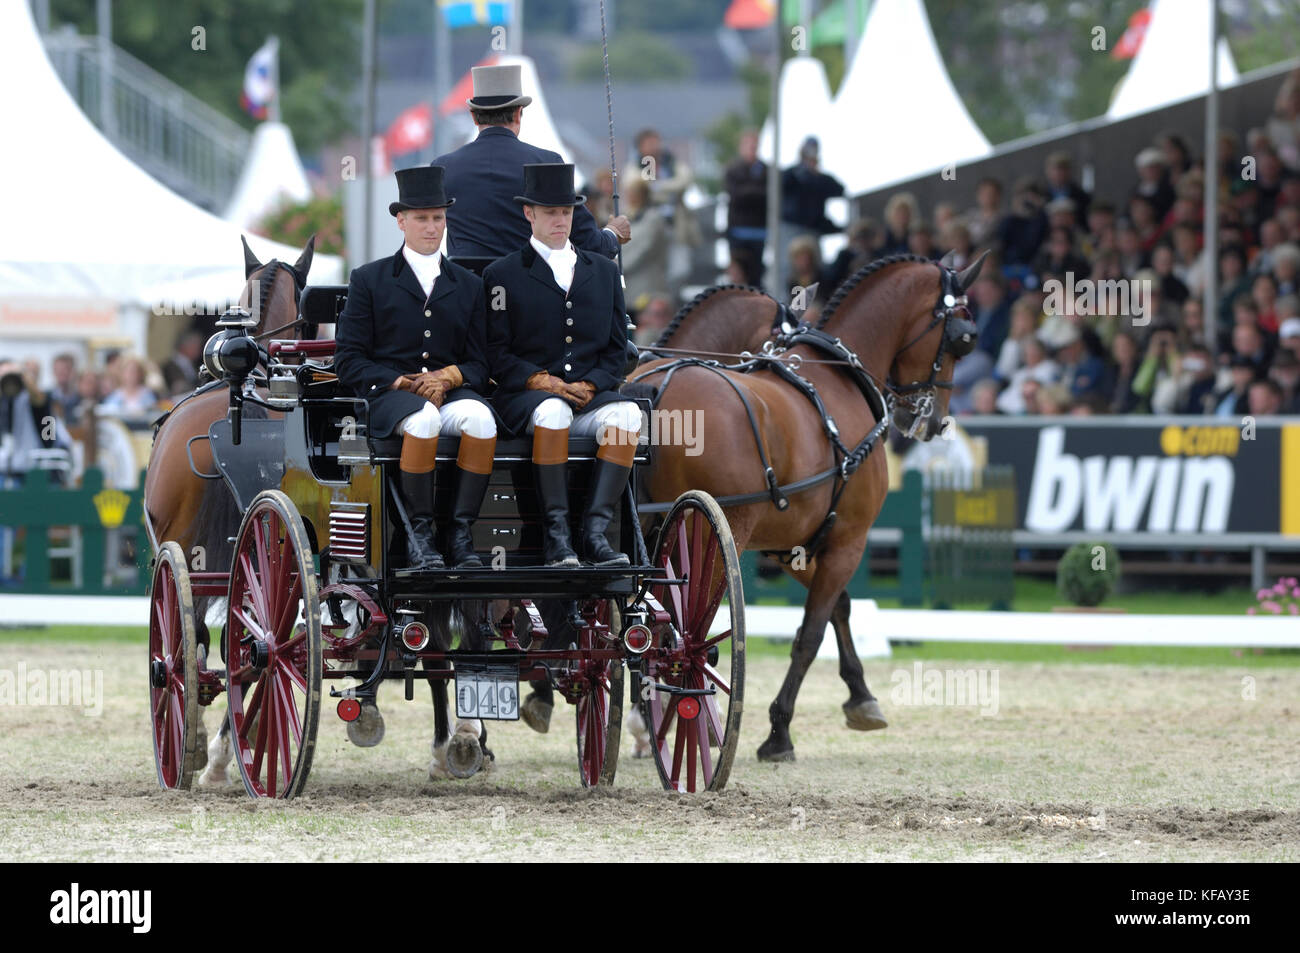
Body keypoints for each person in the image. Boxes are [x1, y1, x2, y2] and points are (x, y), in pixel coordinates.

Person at [335, 166, 497, 571]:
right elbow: (348, 360)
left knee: (482, 420)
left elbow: (481, 362)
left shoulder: (468, 283)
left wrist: (448, 377)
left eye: (438, 218)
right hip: (389, 398)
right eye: (422, 219)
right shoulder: (369, 279)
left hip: (450, 393)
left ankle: (460, 535)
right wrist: (400, 381)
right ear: (401, 221)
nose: (431, 227)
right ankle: (419, 536)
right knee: (423, 419)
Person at [485, 164, 642, 568]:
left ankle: (594, 532)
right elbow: (496, 353)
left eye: (566, 212)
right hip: (527, 399)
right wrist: (543, 382)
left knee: (628, 415)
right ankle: (556, 536)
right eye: (550, 212)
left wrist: (591, 386)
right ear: (529, 214)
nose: (560, 221)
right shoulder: (501, 275)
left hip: (589, 397)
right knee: (553, 410)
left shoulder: (604, 272)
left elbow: (615, 348)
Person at [432, 65, 629, 261]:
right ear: (518, 113)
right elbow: (589, 243)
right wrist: (612, 233)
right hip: (529, 287)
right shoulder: (548, 163)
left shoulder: (442, 168)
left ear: (474, 116)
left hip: (466, 288)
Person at [619, 178, 669, 313]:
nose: (630, 197)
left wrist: (619, 265)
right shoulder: (626, 217)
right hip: (627, 287)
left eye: (633, 193)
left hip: (647, 284)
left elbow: (645, 249)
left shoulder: (654, 218)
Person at [723, 129, 768, 269]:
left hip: (759, 230)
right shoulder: (733, 169)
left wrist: (748, 191)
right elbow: (735, 195)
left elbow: (768, 195)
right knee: (738, 273)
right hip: (738, 230)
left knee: (756, 272)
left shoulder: (766, 170)